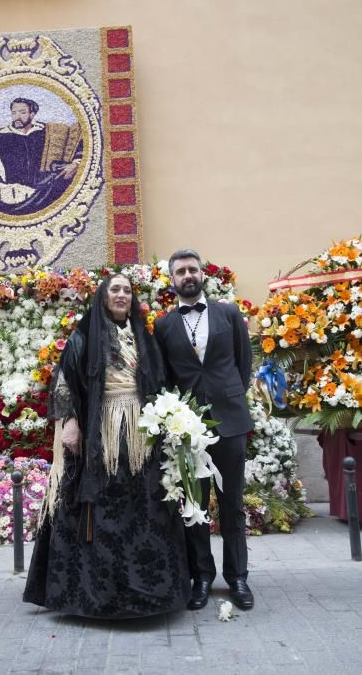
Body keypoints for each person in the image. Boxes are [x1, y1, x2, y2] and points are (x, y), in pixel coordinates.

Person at [23, 274, 191, 618]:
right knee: (99, 507)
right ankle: (93, 594)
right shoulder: (85, 335)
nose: (121, 295)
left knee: (146, 505)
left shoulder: (145, 337)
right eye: (115, 289)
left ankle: (151, 591)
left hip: (142, 432)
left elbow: (161, 381)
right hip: (100, 433)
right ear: (103, 296)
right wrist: (69, 422)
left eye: (127, 290)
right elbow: (65, 379)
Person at [154, 249, 254, 611]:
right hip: (188, 429)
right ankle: (202, 577)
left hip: (230, 424)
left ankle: (238, 578)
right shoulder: (163, 325)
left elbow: (243, 365)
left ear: (202, 274)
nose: (188, 275)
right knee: (194, 505)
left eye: (192, 269)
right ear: (172, 280)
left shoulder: (228, 313)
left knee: (232, 504)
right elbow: (165, 375)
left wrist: (229, 398)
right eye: (180, 271)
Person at [0, 97, 83, 216]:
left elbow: (75, 144)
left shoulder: (47, 133)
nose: (17, 117)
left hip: (45, 195)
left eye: (22, 112)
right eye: (14, 112)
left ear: (32, 114)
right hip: (9, 201)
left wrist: (76, 164)